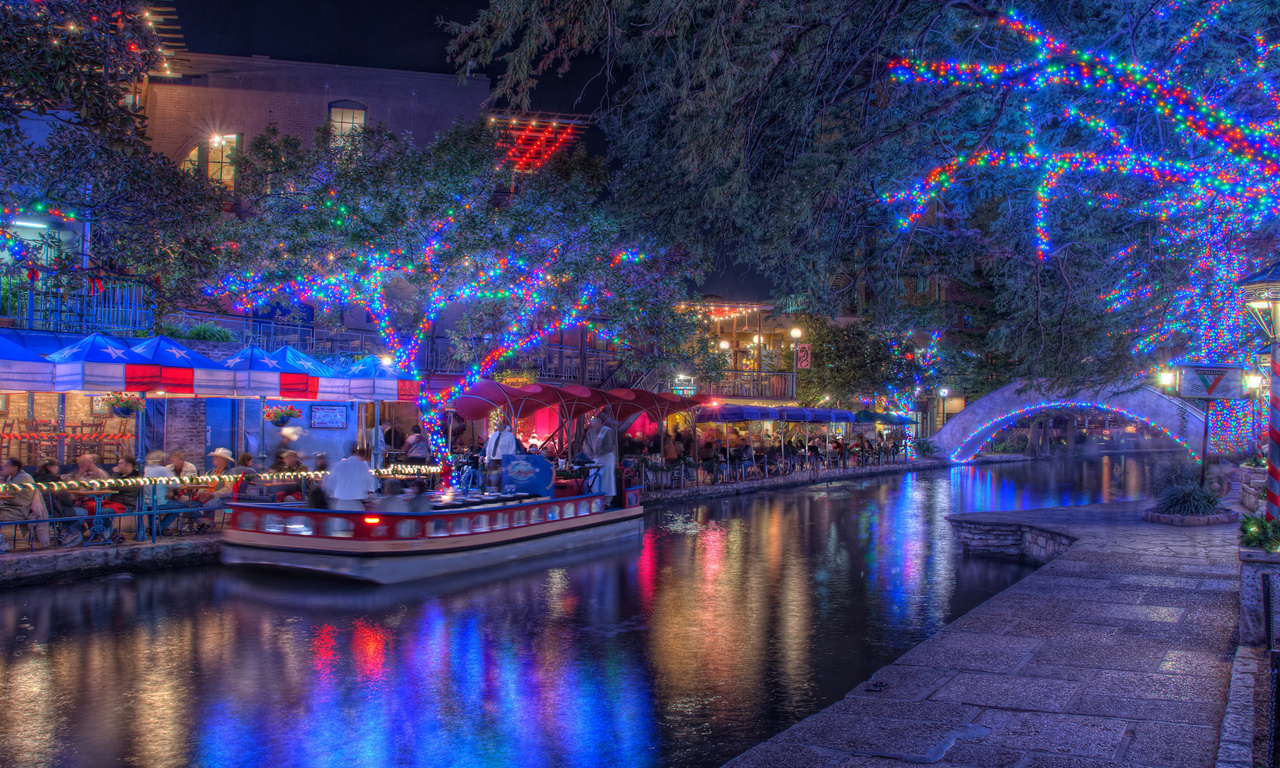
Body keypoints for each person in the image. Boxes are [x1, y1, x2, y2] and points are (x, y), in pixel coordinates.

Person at [190, 448, 236, 532]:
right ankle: (206, 523)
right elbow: (203, 485)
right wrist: (201, 494)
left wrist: (212, 494)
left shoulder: (230, 474)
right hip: (207, 496)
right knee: (188, 504)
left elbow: (227, 490)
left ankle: (205, 525)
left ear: (224, 460)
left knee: (209, 506)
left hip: (222, 498)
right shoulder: (210, 472)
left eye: (216, 457)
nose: (213, 459)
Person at [0, 458, 40, 551]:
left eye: (6, 466)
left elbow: (7, 491)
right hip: (9, 507)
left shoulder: (23, 477)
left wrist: (1, 478)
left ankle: (2, 544)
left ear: (14, 468)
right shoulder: (11, 477)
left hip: (19, 510)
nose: (3, 468)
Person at [322, 446, 377, 511]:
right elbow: (369, 484)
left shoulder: (338, 465)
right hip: (356, 503)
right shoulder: (363, 465)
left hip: (340, 503)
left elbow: (328, 484)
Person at [588, 413, 617, 501]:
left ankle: (607, 499)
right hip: (597, 459)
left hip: (606, 458)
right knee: (594, 477)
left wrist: (597, 454)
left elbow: (608, 447)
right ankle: (595, 496)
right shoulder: (593, 432)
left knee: (607, 479)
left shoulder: (607, 431)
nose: (594, 427)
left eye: (594, 425)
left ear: (599, 423)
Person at [483, 419, 516, 490]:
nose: (498, 426)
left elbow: (512, 450)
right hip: (494, 461)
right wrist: (487, 460)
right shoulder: (494, 435)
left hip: (504, 461)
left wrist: (509, 462)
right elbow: (489, 448)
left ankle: (501, 497)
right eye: (497, 424)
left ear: (504, 424)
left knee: (503, 482)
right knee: (493, 481)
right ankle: (493, 497)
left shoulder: (509, 436)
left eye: (500, 424)